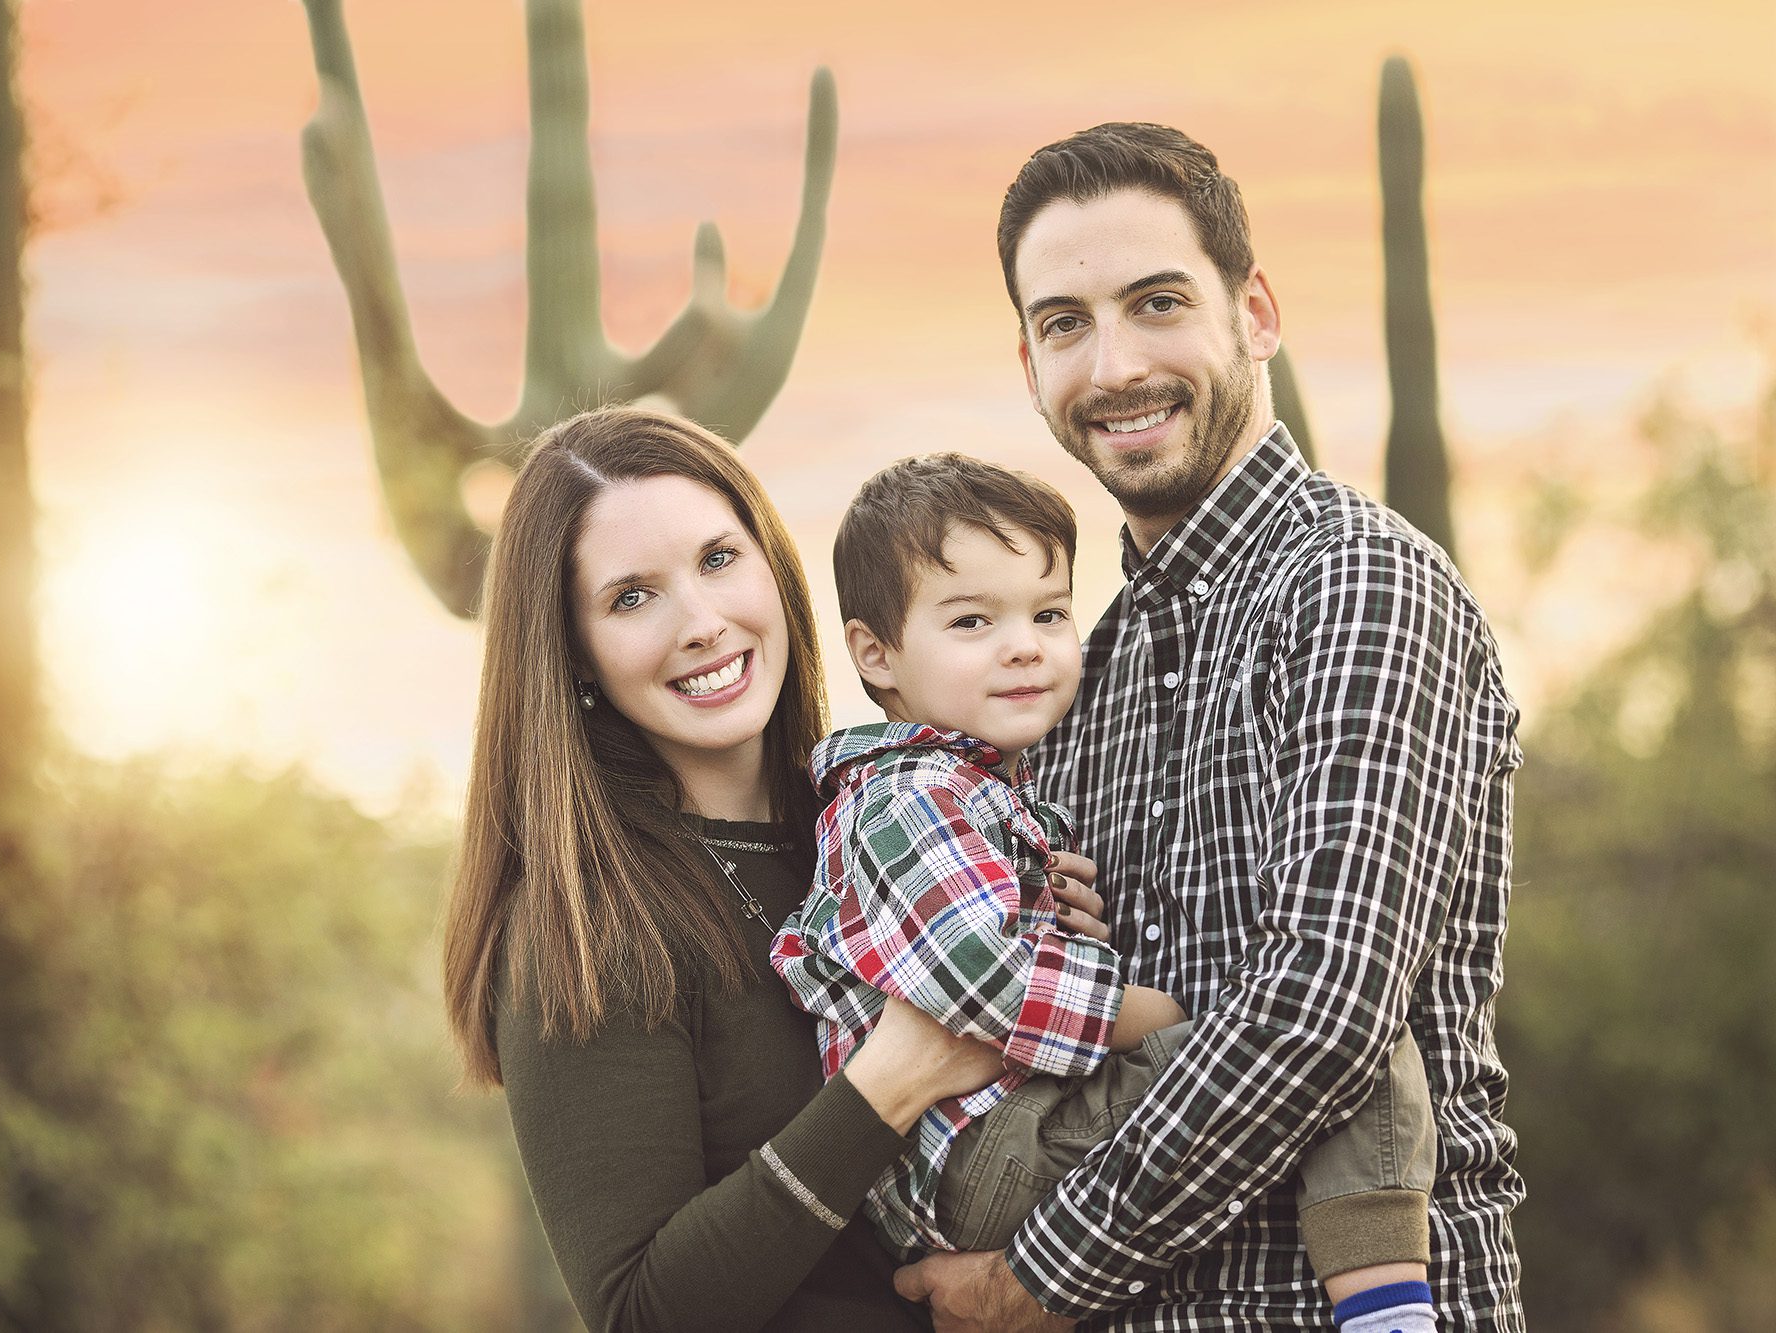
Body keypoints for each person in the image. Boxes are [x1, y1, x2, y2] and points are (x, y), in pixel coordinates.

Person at [894, 123, 1526, 1331]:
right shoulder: (1076, 670)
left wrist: (1040, 1277)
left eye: (1156, 302)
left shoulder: (1355, 584)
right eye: (1065, 322)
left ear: (1255, 312)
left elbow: (1323, 1004)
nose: (1114, 363)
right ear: (1027, 362)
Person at [440, 406, 1110, 1332]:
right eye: (632, 597)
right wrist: (890, 1082)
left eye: (719, 559)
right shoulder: (584, 930)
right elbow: (640, 1314)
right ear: (575, 650)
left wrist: (1056, 922)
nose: (705, 622)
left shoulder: (889, 819)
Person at [772, 452, 1438, 1330]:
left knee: (1313, 1041)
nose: (1025, 644)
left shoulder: (984, 791)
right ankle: (1391, 1313)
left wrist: (1066, 927)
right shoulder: (906, 796)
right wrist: (1152, 1012)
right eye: (972, 620)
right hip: (985, 1144)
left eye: (1049, 613)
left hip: (998, 1134)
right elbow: (983, 976)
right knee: (1349, 1046)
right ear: (876, 652)